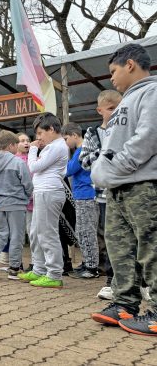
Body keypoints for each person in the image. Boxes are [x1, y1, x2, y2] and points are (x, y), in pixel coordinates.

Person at [90, 43, 157, 336]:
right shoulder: (125, 101)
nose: (112, 79)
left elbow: (148, 137)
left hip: (143, 184)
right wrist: (104, 170)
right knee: (120, 250)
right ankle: (124, 303)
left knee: (151, 248)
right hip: (117, 189)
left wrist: (114, 167)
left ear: (130, 64)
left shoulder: (151, 92)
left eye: (114, 71)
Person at [79, 89, 122, 299]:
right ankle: (111, 281)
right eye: (111, 109)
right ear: (100, 110)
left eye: (118, 109)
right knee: (109, 239)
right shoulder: (92, 133)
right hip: (103, 195)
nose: (115, 113)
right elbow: (84, 161)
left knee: (131, 239)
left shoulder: (126, 128)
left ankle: (139, 282)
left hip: (125, 192)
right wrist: (106, 150)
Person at [18, 113, 69, 288]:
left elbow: (33, 166)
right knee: (36, 232)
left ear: (52, 129)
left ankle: (54, 273)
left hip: (49, 191)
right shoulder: (52, 146)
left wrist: (32, 149)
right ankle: (39, 269)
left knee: (47, 233)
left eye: (40, 133)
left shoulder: (57, 146)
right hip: (43, 191)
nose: (38, 138)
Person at [0, 131, 33, 280]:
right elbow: (27, 183)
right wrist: (27, 195)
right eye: (16, 144)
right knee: (16, 235)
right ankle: (14, 268)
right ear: (11, 145)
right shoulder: (18, 162)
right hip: (16, 203)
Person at [63, 122, 100, 279]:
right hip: (81, 195)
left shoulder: (81, 151)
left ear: (74, 135)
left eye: (66, 139)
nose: (65, 143)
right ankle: (87, 262)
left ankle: (92, 267)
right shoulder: (80, 150)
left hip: (86, 195)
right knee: (82, 231)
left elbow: (69, 170)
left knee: (87, 231)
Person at [16, 133, 34, 271]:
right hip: (18, 203)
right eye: (22, 141)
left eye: (28, 140)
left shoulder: (33, 158)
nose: (26, 143)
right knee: (17, 235)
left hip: (32, 203)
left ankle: (35, 263)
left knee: (32, 233)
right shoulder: (14, 160)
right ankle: (17, 262)